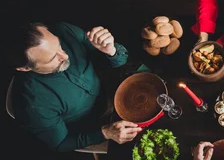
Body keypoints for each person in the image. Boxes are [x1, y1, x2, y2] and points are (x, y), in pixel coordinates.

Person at [6, 21, 141, 152]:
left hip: (112, 87)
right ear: (24, 68)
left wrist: (110, 50)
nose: (65, 56)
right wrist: (105, 133)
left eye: (59, 46)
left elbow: (118, 60)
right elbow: (60, 143)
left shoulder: (63, 30)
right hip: (95, 125)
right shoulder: (32, 106)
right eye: (53, 58)